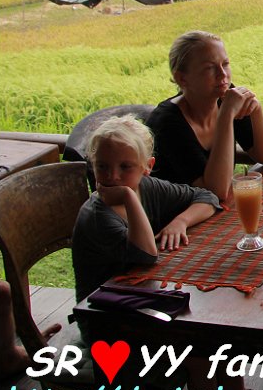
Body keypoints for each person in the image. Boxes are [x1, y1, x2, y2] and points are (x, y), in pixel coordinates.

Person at [71, 115, 222, 305]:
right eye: (102, 166)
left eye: (125, 167)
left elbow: (207, 197)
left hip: (141, 296)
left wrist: (180, 221)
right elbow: (146, 255)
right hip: (103, 314)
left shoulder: (147, 187)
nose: (113, 176)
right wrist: (128, 197)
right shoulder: (97, 216)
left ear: (147, 167)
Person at [146, 30, 263, 202]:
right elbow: (215, 191)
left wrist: (256, 109)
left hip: (206, 212)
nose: (222, 75)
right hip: (172, 220)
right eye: (210, 68)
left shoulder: (226, 97)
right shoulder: (167, 123)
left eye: (225, 64)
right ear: (182, 79)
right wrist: (226, 116)